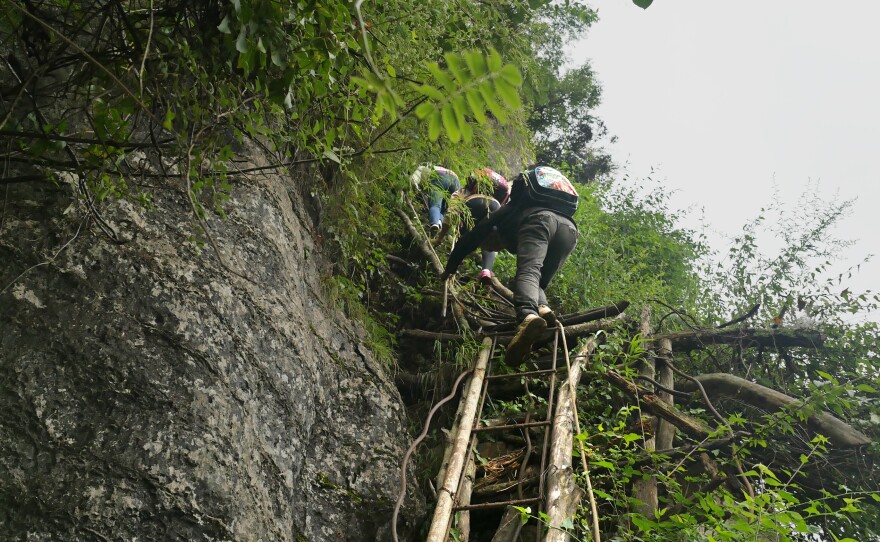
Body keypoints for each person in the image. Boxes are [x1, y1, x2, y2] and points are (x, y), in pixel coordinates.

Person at [440, 165, 579, 364]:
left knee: (528, 272)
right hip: (569, 230)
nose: (490, 247)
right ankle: (543, 308)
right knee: (537, 281)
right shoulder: (523, 209)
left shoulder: (504, 213)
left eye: (489, 244)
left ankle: (528, 317)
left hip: (540, 221)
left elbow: (469, 240)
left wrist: (449, 269)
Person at [434, 168, 510, 283]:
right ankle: (486, 270)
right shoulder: (497, 197)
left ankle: (448, 272)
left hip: (473, 203)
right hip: (496, 207)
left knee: (464, 241)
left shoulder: (462, 191)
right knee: (489, 238)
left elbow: (450, 216)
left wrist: (439, 238)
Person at [410, 165, 461, 234]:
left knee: (435, 205)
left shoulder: (422, 167)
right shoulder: (440, 168)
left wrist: (416, 189)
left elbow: (413, 180)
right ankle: (439, 222)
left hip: (440, 177)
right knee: (444, 209)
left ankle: (434, 223)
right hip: (456, 181)